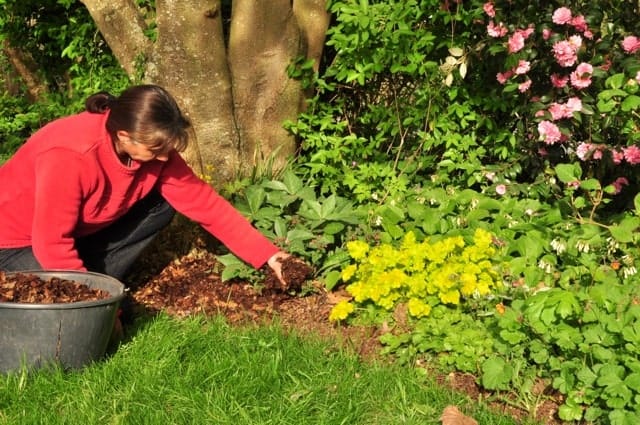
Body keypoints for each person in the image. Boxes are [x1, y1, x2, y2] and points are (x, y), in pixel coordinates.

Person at [0, 84, 293, 287]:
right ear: (125, 136)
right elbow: (51, 242)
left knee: (163, 204)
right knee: (88, 305)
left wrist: (266, 254)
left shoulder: (151, 145)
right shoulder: (69, 154)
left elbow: (204, 202)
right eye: (156, 149)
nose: (165, 157)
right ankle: (96, 284)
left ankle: (97, 279)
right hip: (13, 244)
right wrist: (94, 303)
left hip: (72, 234)